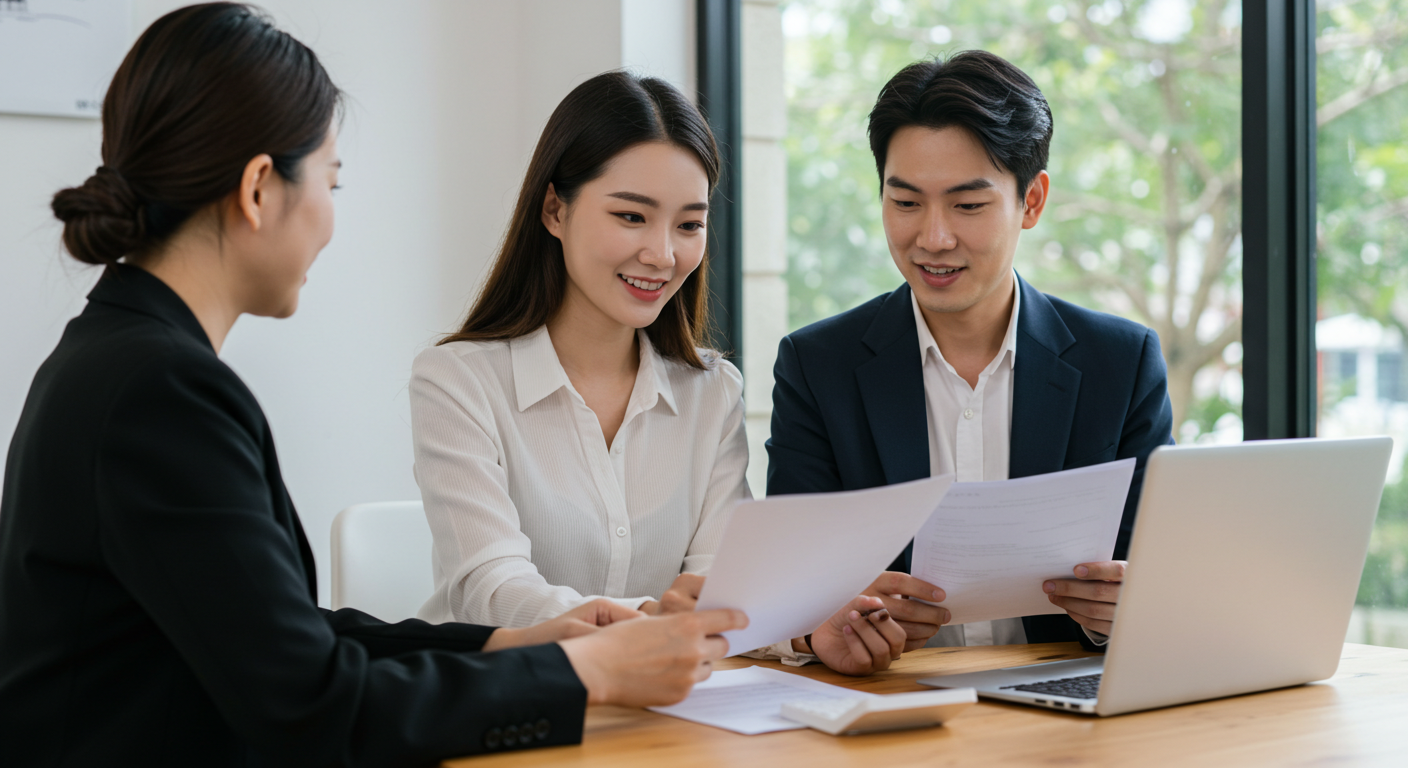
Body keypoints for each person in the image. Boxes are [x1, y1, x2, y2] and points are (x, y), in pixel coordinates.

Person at [0, 5, 747, 765]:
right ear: (261, 189)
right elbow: (314, 705)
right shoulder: (159, 393)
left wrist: (513, 642)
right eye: (332, 178)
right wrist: (581, 671)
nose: (330, 219)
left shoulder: (126, 360)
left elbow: (294, 638)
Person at [411, 70, 908, 675]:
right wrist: (657, 620)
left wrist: (805, 634)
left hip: (663, 712)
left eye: (689, 224)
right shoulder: (458, 381)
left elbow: (720, 585)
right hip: (504, 706)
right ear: (554, 210)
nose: (663, 254)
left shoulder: (711, 392)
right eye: (631, 217)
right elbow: (490, 590)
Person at [765, 51, 1176, 656]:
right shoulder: (816, 366)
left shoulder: (1120, 363)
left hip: (1063, 713)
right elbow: (788, 592)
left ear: (1031, 202)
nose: (933, 238)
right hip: (891, 708)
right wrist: (820, 631)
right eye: (905, 203)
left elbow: (1158, 579)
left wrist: (1123, 612)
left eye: (968, 205)